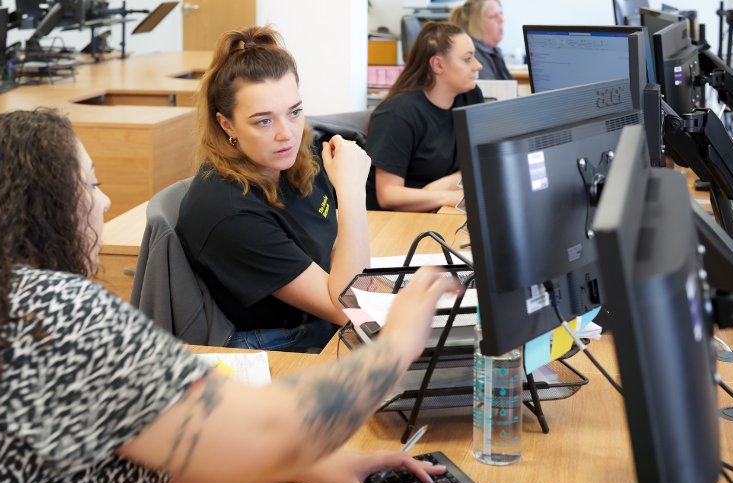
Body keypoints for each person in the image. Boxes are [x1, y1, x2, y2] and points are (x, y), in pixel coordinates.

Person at [0, 109, 460, 483]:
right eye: (89, 186)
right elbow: (270, 425)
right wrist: (396, 344)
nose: (103, 203)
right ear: (44, 214)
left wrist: (293, 466)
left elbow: (136, 441)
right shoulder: (50, 316)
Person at [176, 26, 372, 352]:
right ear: (227, 124)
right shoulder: (230, 211)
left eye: (294, 112)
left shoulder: (293, 158)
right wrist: (352, 191)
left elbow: (336, 245)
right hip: (275, 343)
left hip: (319, 314)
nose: (287, 134)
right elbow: (348, 309)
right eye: (264, 121)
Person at [365, 22, 484, 212]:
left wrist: (441, 186)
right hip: (400, 220)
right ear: (438, 65)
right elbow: (388, 195)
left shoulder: (470, 96)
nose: (478, 65)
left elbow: (478, 162)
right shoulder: (397, 114)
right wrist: (453, 196)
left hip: (438, 209)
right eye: (467, 59)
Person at [450, 0, 512, 81]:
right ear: (476, 23)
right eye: (493, 16)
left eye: (501, 13)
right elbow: (490, 88)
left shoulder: (494, 51)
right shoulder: (473, 54)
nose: (501, 19)